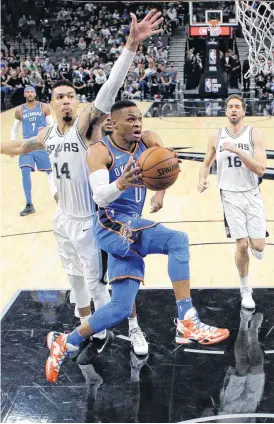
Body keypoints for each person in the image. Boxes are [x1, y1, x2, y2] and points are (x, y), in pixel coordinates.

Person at [1, 9, 164, 382]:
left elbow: (107, 90)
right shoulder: (46, 135)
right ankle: (95, 329)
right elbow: (17, 147)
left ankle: (127, 327)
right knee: (75, 280)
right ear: (50, 103)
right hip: (63, 220)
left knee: (109, 281)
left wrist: (131, 45)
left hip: (96, 219)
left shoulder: (84, 128)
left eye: (72, 96)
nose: (68, 102)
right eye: (61, 97)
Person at [42, 99, 228, 383]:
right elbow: (98, 197)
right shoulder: (99, 151)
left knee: (119, 307)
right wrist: (121, 183)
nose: (138, 123)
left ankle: (65, 343)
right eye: (130, 119)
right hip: (110, 225)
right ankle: (187, 321)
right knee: (178, 241)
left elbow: (165, 170)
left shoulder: (149, 140)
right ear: (113, 124)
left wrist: (160, 192)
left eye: (140, 118)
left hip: (128, 229)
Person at [198, 94, 267, 309]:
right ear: (226, 111)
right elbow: (206, 163)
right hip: (229, 196)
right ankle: (245, 288)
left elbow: (261, 169)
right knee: (242, 244)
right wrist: (202, 179)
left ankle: (255, 244)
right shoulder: (216, 136)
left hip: (252, 193)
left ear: (244, 111)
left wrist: (237, 149)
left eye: (237, 107)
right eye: (230, 107)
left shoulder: (254, 134)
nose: (234, 110)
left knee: (258, 247)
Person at [10, 85, 53, 216]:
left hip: (41, 145)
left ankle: (65, 198)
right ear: (24, 95)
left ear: (35, 93)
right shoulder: (19, 110)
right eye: (27, 92)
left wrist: (51, 141)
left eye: (31, 91)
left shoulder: (43, 107)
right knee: (25, 171)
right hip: (26, 145)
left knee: (53, 174)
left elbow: (51, 126)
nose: (29, 94)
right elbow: (14, 129)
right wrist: (13, 146)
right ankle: (29, 204)